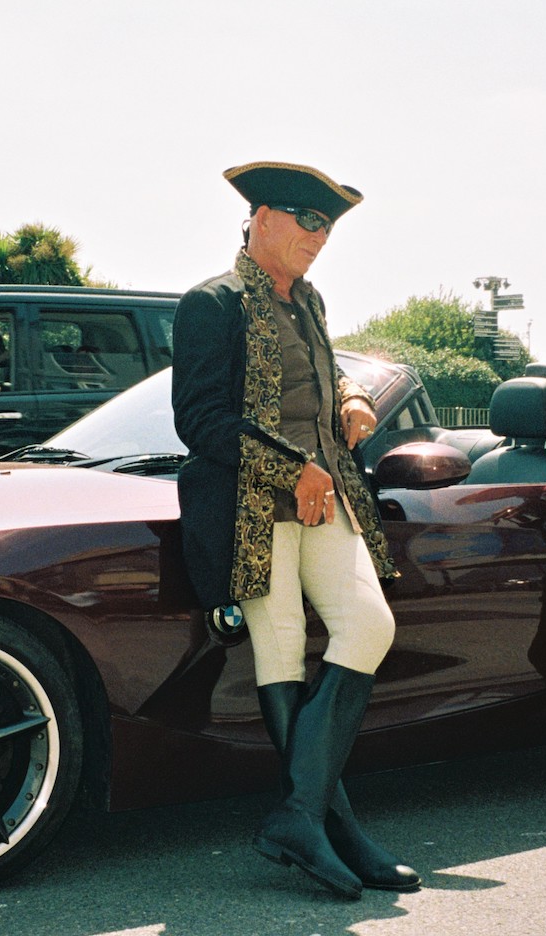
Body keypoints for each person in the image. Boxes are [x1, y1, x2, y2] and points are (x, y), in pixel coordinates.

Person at [172, 161, 417, 900]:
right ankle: (333, 829)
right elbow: (201, 420)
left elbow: (321, 372)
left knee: (367, 626)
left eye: (329, 225)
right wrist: (291, 467)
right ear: (262, 219)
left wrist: (352, 398)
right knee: (281, 657)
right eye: (309, 222)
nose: (321, 237)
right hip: (250, 507)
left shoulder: (308, 300)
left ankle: (302, 814)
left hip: (327, 496)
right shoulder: (209, 304)